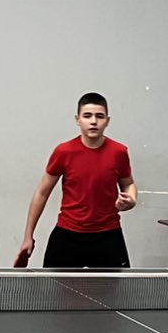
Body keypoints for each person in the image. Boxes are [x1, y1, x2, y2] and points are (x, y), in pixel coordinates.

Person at [21, 92, 137, 268]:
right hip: (68, 234)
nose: (93, 121)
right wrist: (28, 236)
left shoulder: (119, 152)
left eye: (99, 116)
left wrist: (131, 200)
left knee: (114, 287)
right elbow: (42, 193)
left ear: (107, 121)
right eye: (87, 116)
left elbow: (128, 184)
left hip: (108, 235)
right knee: (55, 286)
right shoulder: (64, 152)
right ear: (78, 119)